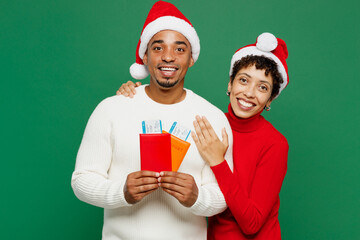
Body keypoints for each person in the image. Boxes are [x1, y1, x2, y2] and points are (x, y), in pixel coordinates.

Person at [71, 1, 233, 240]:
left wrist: (197, 197)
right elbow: (81, 181)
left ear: (191, 59)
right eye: (158, 48)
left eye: (180, 49)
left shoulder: (212, 118)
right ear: (145, 56)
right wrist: (121, 192)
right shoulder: (111, 109)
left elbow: (224, 195)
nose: (168, 57)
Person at [117, 32, 289, 239]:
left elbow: (251, 223)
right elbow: (165, 118)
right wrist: (136, 95)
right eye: (243, 80)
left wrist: (218, 161)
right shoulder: (210, 123)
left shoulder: (274, 143)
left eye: (263, 87)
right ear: (230, 84)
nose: (250, 93)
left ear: (270, 99)